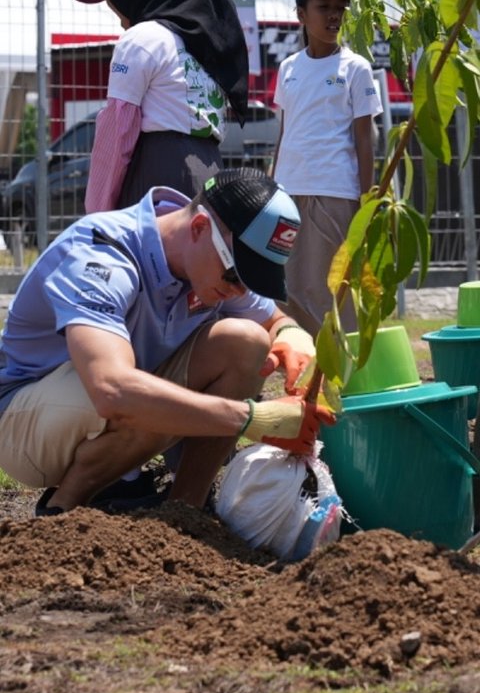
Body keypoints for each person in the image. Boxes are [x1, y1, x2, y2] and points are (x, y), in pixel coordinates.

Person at [0, 168, 335, 517]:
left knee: (245, 342)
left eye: (252, 281)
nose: (240, 290)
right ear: (199, 228)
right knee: (132, 394)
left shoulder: (207, 259)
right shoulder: (102, 256)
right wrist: (250, 418)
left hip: (104, 397)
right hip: (23, 423)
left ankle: (185, 509)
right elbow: (112, 390)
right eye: (237, 275)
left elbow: (272, 321)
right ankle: (62, 508)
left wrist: (290, 335)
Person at [74, 0, 249, 212]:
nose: (110, 5)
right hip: (211, 173)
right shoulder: (205, 42)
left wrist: (98, 213)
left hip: (158, 180)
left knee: (152, 258)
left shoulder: (142, 39)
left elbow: (117, 135)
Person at [272, 0, 383, 336]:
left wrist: (366, 199)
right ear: (302, 15)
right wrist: (272, 190)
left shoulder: (356, 68)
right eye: (323, 6)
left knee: (327, 289)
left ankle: (342, 371)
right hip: (288, 193)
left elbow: (365, 138)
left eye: (339, 7)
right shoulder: (288, 68)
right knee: (286, 287)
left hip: (334, 191)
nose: (334, 15)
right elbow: (284, 132)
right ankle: (308, 368)